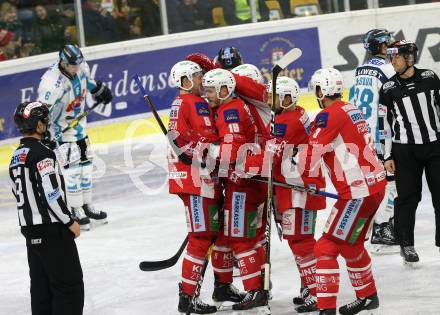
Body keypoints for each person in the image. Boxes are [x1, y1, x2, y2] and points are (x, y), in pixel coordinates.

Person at [304, 68, 386, 315]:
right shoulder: (350, 109)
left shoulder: (327, 115)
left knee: (325, 247)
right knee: (351, 245)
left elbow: (311, 154)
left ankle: (326, 309)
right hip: (374, 187)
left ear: (321, 91)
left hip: (357, 193)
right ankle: (367, 296)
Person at [168, 60, 245, 314]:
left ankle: (223, 286)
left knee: (219, 232)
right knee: (201, 238)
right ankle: (187, 297)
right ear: (185, 81)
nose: (202, 80)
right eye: (198, 76)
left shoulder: (185, 103)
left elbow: (182, 139)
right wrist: (217, 154)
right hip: (196, 179)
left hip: (198, 177)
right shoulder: (192, 102)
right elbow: (196, 139)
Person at [203, 68, 269, 312]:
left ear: (224, 90)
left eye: (210, 90)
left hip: (244, 184)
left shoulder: (230, 111)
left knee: (241, 238)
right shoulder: (230, 107)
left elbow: (231, 152)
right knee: (241, 236)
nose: (206, 94)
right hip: (247, 182)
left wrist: (204, 150)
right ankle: (253, 286)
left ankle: (256, 292)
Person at [9, 101, 84, 315]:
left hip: (30, 230)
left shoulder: (16, 155)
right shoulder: (42, 154)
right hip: (52, 231)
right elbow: (51, 194)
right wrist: (70, 222)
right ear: (39, 125)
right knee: (69, 288)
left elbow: (18, 191)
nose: (47, 123)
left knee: (41, 290)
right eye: (44, 120)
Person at [37, 44, 112, 230]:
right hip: (60, 132)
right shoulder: (50, 83)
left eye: (78, 63)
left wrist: (100, 90)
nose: (77, 68)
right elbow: (41, 111)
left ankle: (87, 206)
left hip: (80, 128)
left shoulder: (81, 66)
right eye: (73, 65)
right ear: (63, 62)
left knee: (86, 168)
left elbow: (88, 82)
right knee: (71, 172)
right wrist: (44, 132)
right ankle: (75, 208)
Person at [381, 40, 440, 264]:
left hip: (435, 145)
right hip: (405, 151)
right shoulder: (388, 88)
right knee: (407, 198)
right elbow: (384, 125)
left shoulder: (430, 77)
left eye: (397, 57)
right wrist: (386, 155)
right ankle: (406, 244)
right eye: (391, 57)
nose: (393, 61)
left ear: (410, 58)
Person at [349, 28, 399, 253]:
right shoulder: (388, 69)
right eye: (389, 44)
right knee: (389, 180)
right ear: (382, 47)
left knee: (376, 181)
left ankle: (378, 225)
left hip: (361, 133)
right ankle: (382, 230)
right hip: (379, 135)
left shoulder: (360, 70)